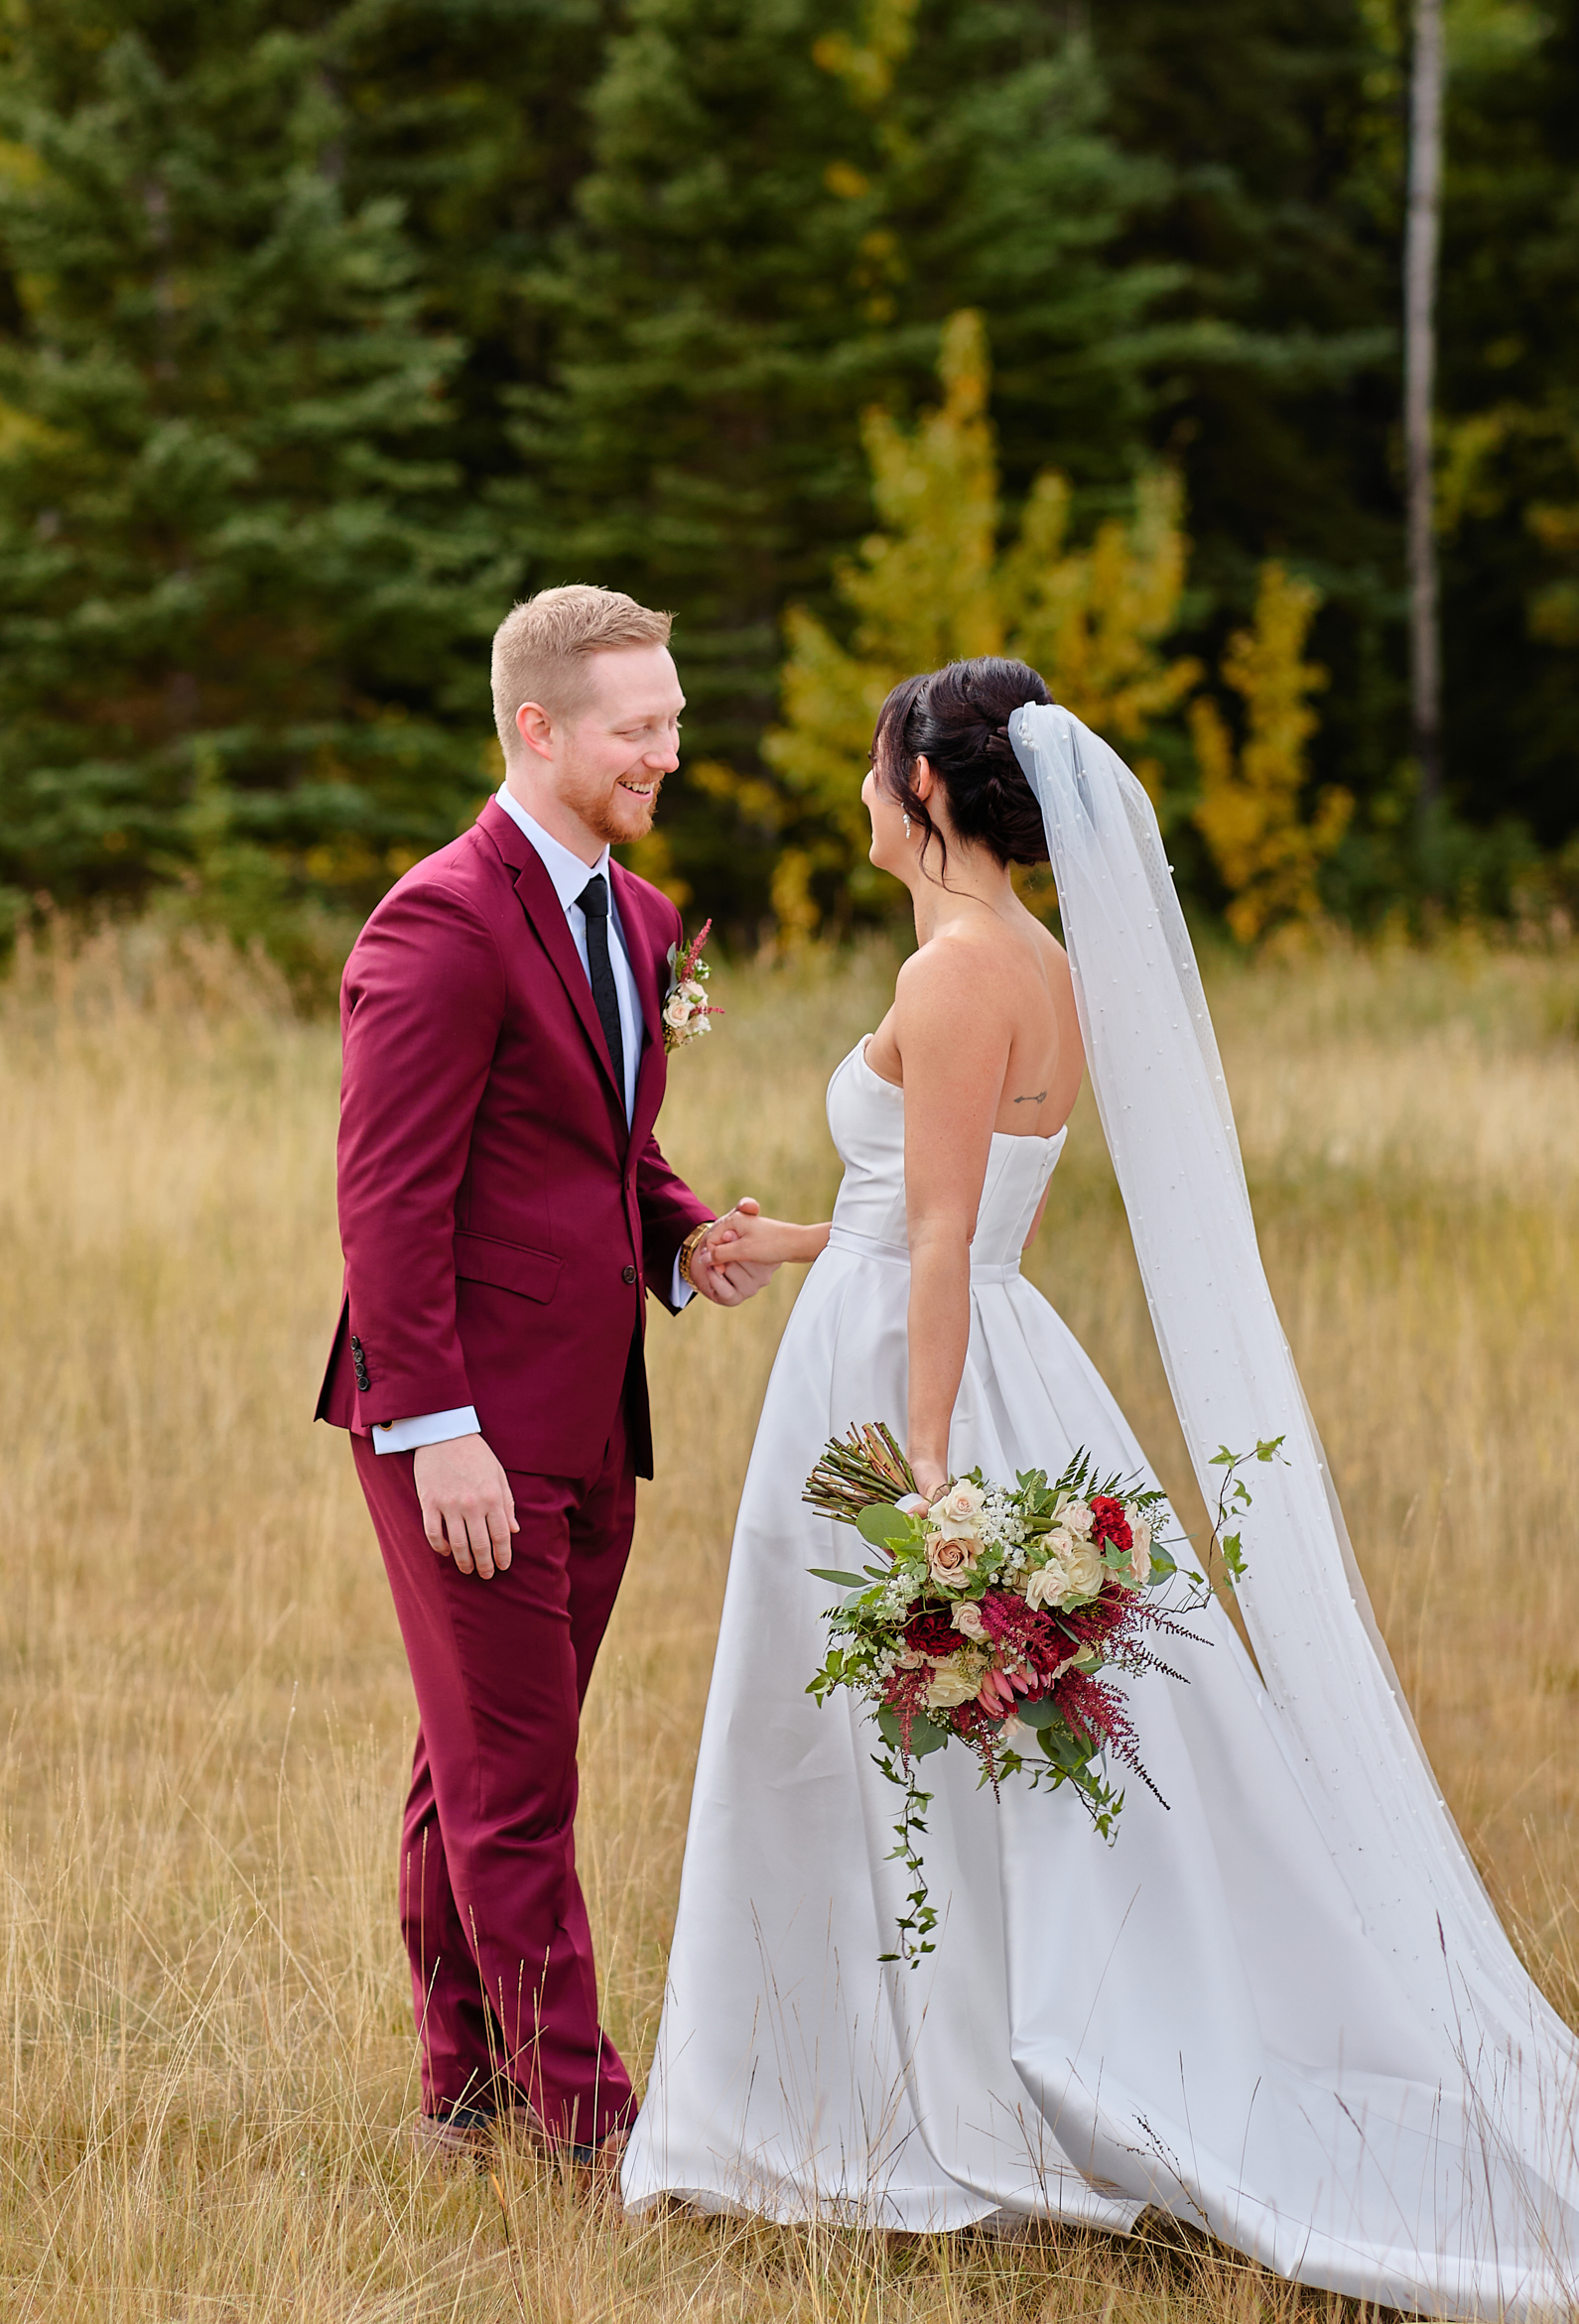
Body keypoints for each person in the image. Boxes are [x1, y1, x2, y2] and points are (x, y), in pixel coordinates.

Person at [623, 658, 1579, 2310]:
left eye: (872, 762)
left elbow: (938, 1240)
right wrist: (768, 1243)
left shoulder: (955, 975)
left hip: (910, 1377)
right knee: (938, 1735)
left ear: (926, 788)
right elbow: (945, 1213)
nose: (857, 787)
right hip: (988, 1344)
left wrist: (922, 1460)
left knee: (862, 1724)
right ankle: (868, 2075)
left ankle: (873, 2108)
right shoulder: (1040, 965)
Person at [316, 583, 775, 2178]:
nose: (668, 750)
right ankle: (598, 2137)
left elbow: (605, 1153)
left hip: (593, 1412)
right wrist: (438, 1430)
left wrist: (688, 1238)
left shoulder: (641, 923)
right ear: (539, 727)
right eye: (637, 726)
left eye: (673, 719)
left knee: (482, 1761)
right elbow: (387, 1198)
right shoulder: (438, 918)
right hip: (462, 1424)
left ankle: (462, 2080)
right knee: (519, 1789)